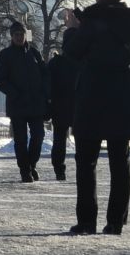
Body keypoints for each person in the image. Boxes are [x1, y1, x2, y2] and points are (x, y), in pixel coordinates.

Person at [62, 0, 130, 237]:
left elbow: (72, 53)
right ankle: (115, 222)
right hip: (122, 98)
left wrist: (72, 30)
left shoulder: (91, 22)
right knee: (119, 163)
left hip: (92, 98)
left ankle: (87, 221)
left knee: (86, 162)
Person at [0, 18, 50, 183]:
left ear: (26, 35)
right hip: (17, 105)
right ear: (11, 36)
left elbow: (45, 74)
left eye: (22, 34)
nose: (19, 37)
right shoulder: (5, 55)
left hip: (36, 104)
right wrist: (15, 93)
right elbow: (0, 81)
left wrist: (46, 94)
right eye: (16, 34)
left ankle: (31, 164)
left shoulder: (34, 53)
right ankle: (24, 170)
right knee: (21, 139)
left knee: (38, 135)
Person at [46, 45, 78, 181]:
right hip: (79, 107)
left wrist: (49, 102)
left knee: (59, 140)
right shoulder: (84, 61)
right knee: (83, 141)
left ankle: (59, 169)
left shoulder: (55, 63)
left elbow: (47, 85)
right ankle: (83, 169)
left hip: (59, 107)